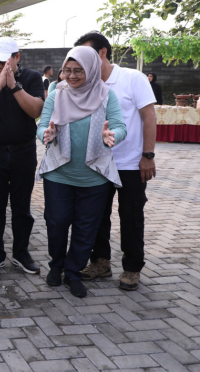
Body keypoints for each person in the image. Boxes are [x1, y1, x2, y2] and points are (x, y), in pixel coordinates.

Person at [37, 46, 127, 297]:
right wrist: (45, 134)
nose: (72, 76)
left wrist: (113, 135)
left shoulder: (106, 95)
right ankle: (56, 266)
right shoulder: (56, 94)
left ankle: (73, 272)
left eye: (78, 71)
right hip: (59, 173)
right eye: (67, 70)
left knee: (86, 228)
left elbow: (120, 126)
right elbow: (43, 123)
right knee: (56, 223)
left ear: (91, 69)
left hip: (94, 176)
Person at [75, 31, 157, 291]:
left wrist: (147, 156)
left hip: (131, 164)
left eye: (87, 55)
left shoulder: (132, 78)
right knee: (96, 216)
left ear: (102, 53)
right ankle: (101, 262)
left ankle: (132, 268)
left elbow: (149, 117)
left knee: (131, 216)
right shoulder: (87, 84)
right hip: (98, 164)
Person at [0, 37, 45, 275]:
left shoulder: (32, 78)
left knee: (22, 207)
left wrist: (13, 86)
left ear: (17, 57)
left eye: (4, 62)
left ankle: (21, 252)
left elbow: (35, 110)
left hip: (23, 152)